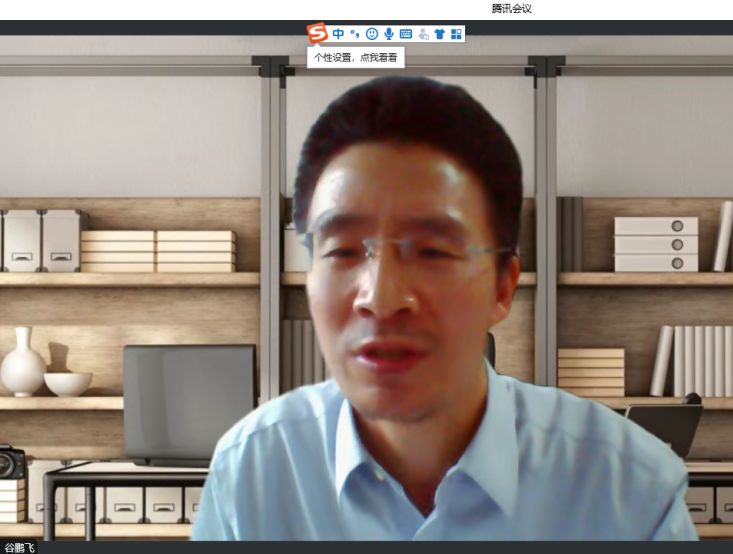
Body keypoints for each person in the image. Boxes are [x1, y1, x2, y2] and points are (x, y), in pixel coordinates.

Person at [191, 76, 697, 540]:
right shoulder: (252, 472)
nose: (381, 298)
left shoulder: (630, 491)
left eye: (432, 252)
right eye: (343, 251)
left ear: (502, 288)